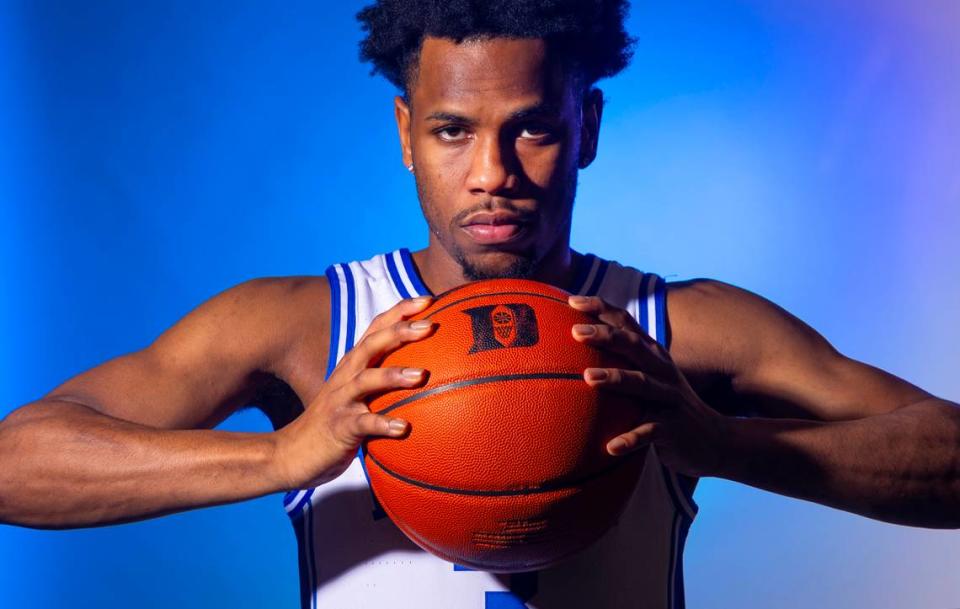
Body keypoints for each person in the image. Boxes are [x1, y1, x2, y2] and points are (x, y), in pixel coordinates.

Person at [1, 1, 957, 608]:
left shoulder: (684, 330)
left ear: (585, 126)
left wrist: (726, 443)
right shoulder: (300, 328)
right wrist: (283, 454)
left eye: (532, 128)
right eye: (454, 131)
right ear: (407, 133)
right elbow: (16, 465)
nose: (492, 175)